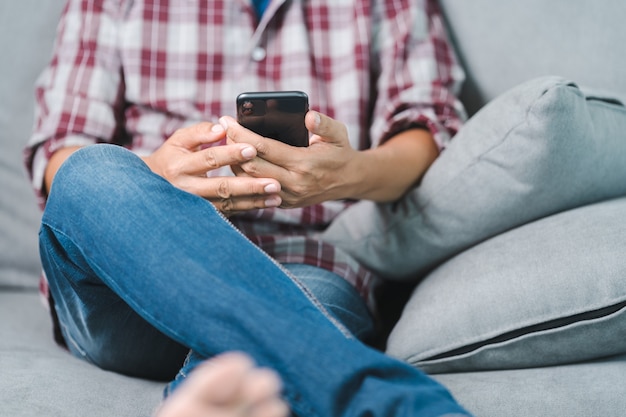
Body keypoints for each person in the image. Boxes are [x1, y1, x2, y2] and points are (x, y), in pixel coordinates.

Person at [25, 0, 470, 415]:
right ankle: (397, 400)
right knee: (90, 170)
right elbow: (60, 146)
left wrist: (348, 172)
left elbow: (430, 123)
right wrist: (156, 174)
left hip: (304, 263)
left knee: (298, 320)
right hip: (132, 273)